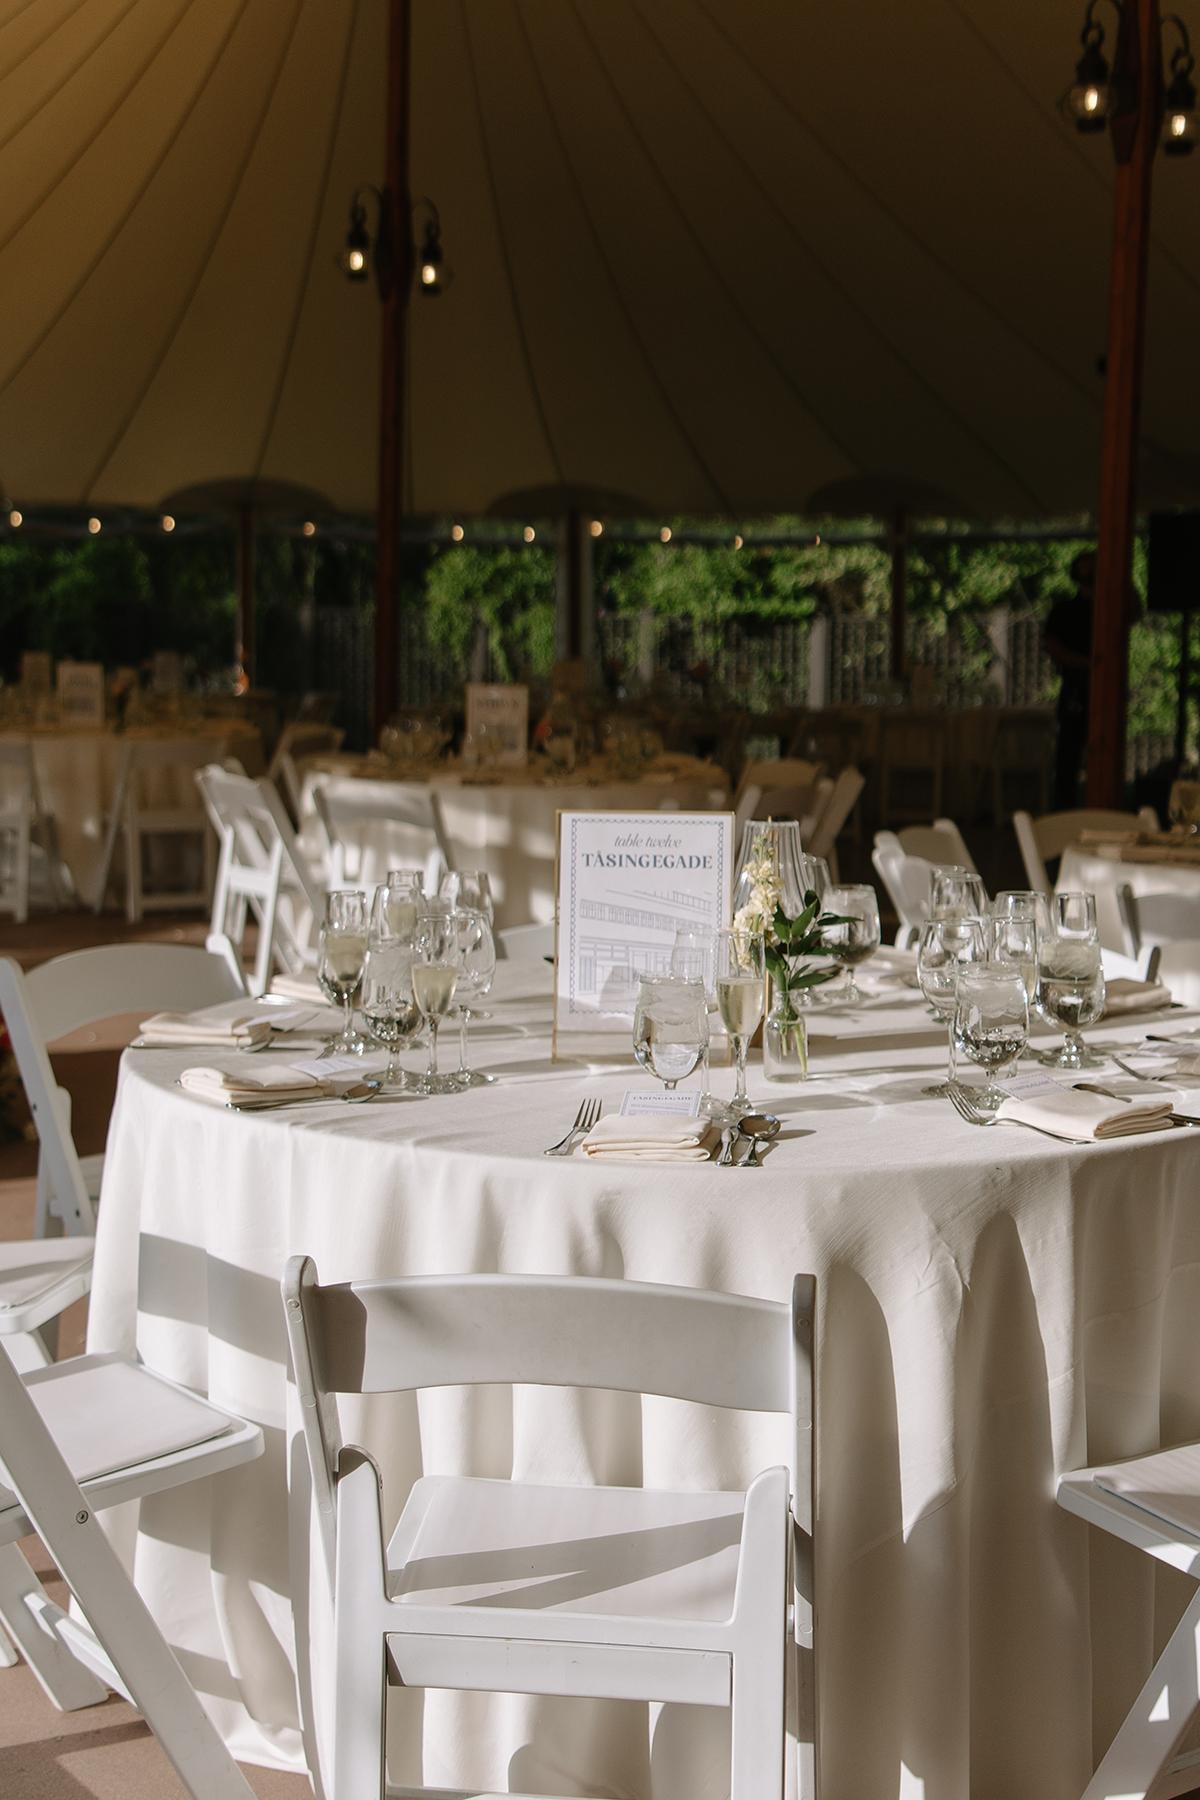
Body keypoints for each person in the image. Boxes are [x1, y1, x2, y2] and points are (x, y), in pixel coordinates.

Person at [1044, 551, 1095, 810]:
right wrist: (1086, 664)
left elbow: (1135, 611)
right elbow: (1052, 645)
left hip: (1103, 693)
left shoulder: (1109, 610)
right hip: (1075, 689)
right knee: (1068, 757)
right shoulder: (1065, 610)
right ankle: (1063, 812)